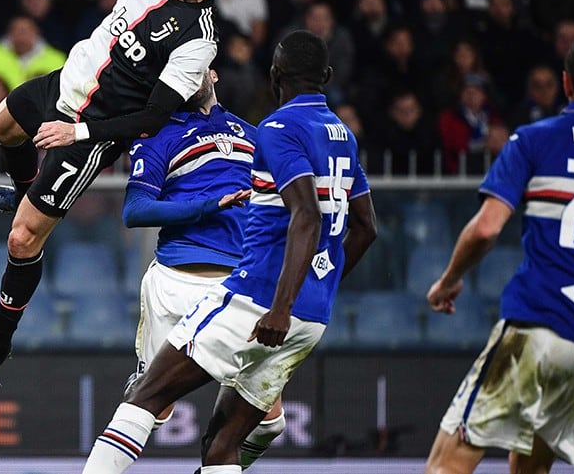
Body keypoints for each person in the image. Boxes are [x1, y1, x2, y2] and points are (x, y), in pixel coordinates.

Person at [0, 0, 236, 400]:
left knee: (22, 237)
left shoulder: (198, 41)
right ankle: (22, 185)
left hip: (92, 131)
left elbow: (151, 119)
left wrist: (76, 131)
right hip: (67, 84)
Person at [80, 31, 379, 473]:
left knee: (154, 399)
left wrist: (280, 305)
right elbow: (365, 227)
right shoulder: (340, 135)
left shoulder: (266, 130)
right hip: (219, 287)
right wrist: (210, 206)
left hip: (253, 293)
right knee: (211, 437)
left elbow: (308, 216)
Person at [424, 30, 574, 474]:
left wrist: (449, 278)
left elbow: (487, 228)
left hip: (539, 325)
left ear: (567, 83)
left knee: (446, 464)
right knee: (530, 470)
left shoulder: (536, 139)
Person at [122, 69, 284, 466]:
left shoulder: (255, 134)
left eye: (195, 67)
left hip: (239, 284)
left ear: (213, 72)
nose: (187, 77)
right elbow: (135, 210)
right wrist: (208, 206)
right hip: (176, 278)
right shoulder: (157, 134)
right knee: (150, 407)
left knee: (271, 422)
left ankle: (214, 463)